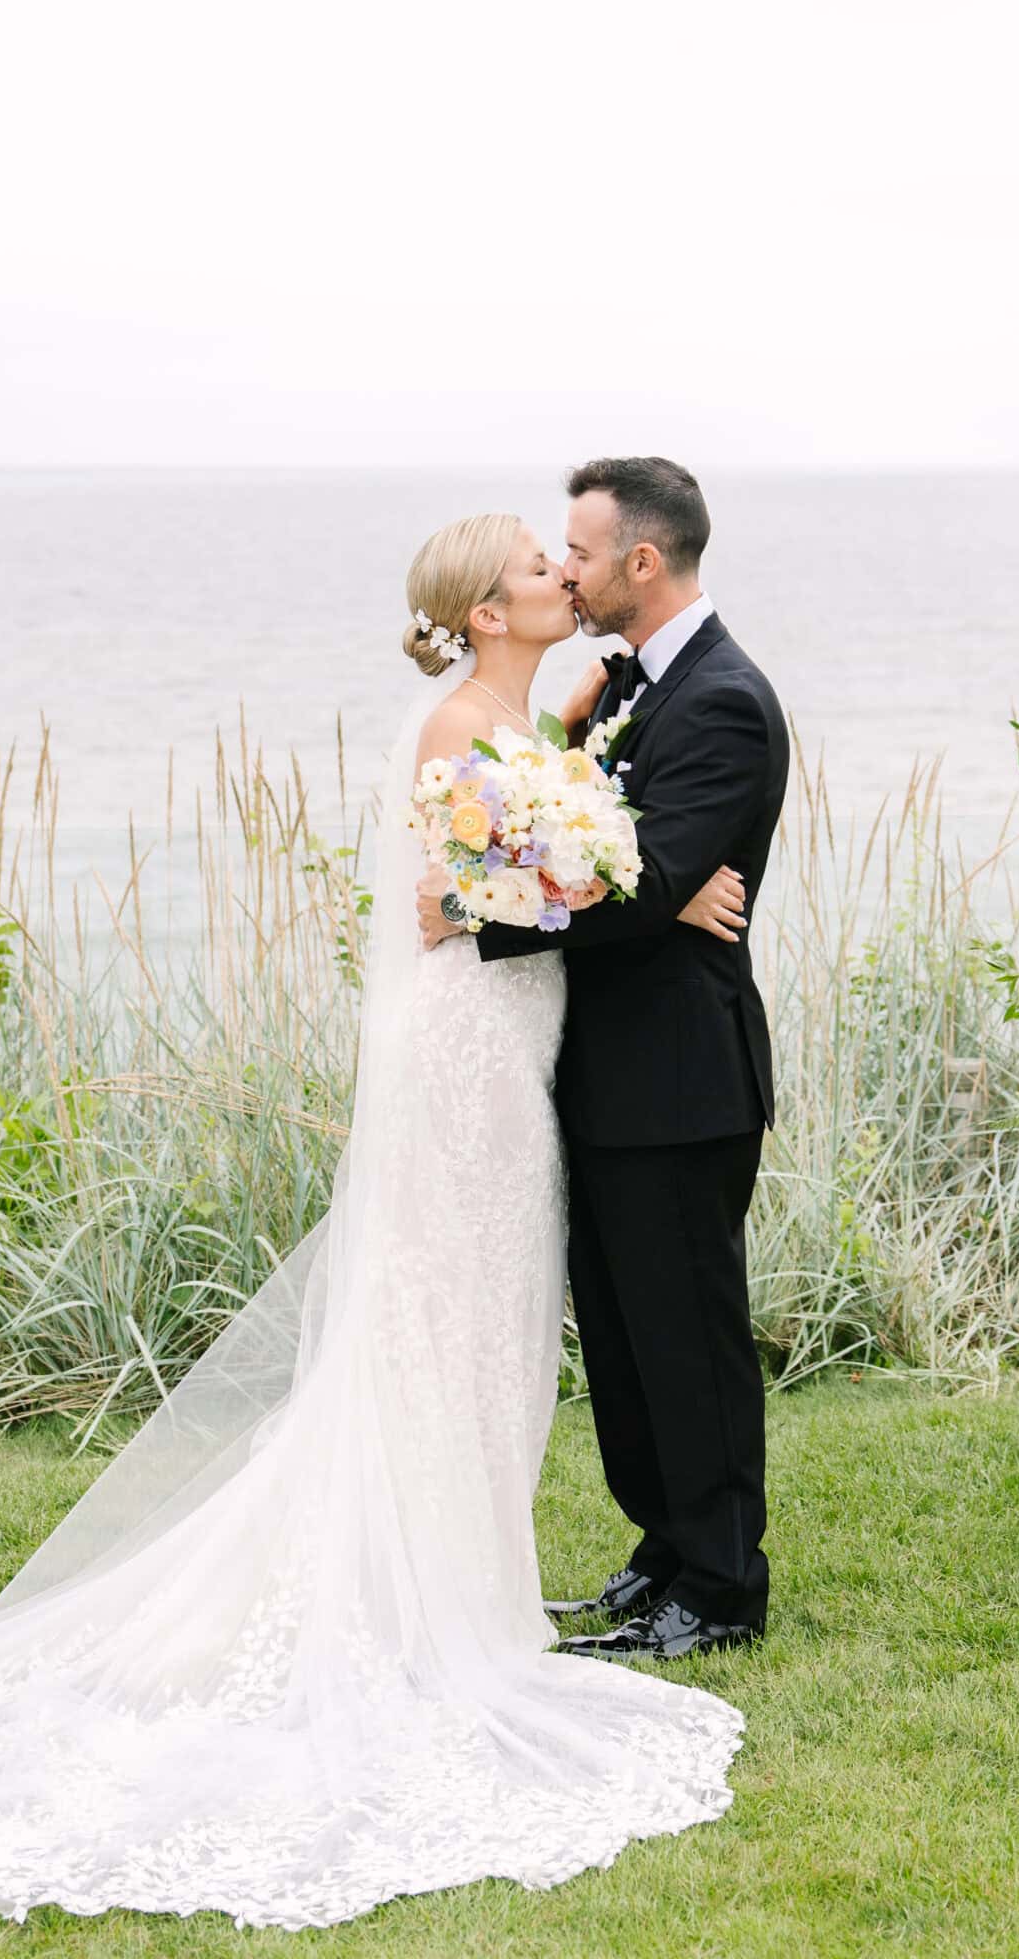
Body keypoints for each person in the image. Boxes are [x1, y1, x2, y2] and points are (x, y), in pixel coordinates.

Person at [0, 507, 749, 1930]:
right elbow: (450, 902)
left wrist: (613, 854)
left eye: (559, 558)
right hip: (464, 1050)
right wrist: (633, 880)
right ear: (483, 608)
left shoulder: (538, 716)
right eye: (534, 567)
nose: (558, 575)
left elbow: (540, 853)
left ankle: (471, 1591)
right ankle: (421, 1606)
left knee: (490, 1316)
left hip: (513, 1050)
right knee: (439, 1309)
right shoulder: (457, 723)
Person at [418, 456, 787, 1659]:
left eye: (575, 553)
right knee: (628, 1339)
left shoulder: (725, 698)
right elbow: (609, 847)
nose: (564, 572)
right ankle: (663, 1552)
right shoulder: (616, 688)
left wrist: (474, 913)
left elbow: (646, 882)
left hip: (679, 1078)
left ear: (640, 560)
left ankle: (722, 1584)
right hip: (596, 1068)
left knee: (689, 1339)